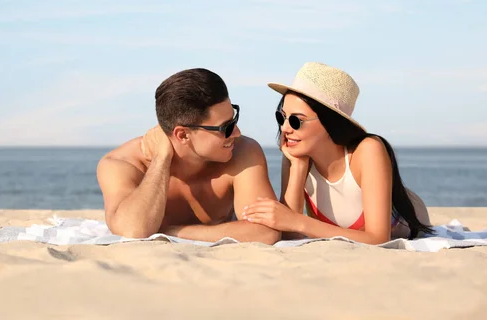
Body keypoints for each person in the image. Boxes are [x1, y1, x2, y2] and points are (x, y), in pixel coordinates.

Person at [243, 62, 433, 244]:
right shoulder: (295, 155)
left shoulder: (367, 150)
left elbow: (378, 238)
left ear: (329, 121)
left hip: (413, 221)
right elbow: (289, 233)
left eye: (296, 121)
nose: (285, 128)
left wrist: (298, 221)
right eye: (281, 117)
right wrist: (299, 168)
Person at [96, 68, 280, 244]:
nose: (237, 133)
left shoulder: (243, 152)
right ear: (183, 135)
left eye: (234, 120)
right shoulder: (121, 164)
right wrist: (161, 159)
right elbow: (133, 231)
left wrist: (172, 232)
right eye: (226, 127)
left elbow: (266, 231)